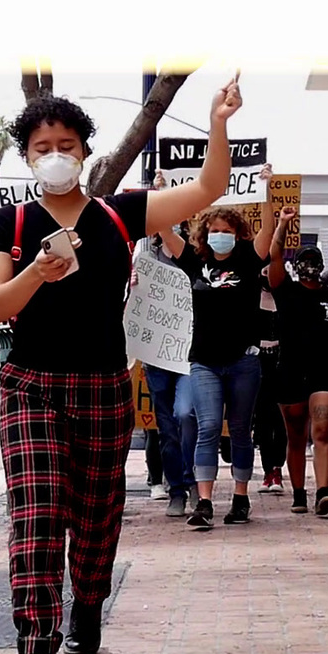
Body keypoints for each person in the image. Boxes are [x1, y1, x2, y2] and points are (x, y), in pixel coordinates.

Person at [0, 77, 240, 654]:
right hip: (30, 384)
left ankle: (87, 602)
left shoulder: (119, 214)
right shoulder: (8, 224)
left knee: (96, 514)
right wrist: (38, 271)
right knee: (37, 516)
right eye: (43, 146)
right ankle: (36, 651)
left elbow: (207, 190)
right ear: (28, 156)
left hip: (101, 385)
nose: (56, 154)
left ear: (86, 151)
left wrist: (217, 121)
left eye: (67, 144)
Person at [160, 167, 278, 530]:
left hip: (244, 359)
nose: (221, 237)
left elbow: (269, 231)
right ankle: (206, 501)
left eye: (227, 232)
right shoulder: (195, 261)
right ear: (204, 234)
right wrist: (160, 192)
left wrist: (268, 189)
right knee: (208, 425)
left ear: (237, 234)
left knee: (241, 429)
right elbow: (164, 229)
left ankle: (241, 497)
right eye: (215, 231)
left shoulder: (249, 259)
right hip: (204, 361)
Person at [267, 224, 328, 517]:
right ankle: (298, 493)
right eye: (304, 261)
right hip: (292, 370)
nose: (309, 267)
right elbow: (274, 256)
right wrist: (281, 225)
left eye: (314, 262)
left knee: (322, 430)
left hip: (327, 371)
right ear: (296, 266)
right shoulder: (285, 291)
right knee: (295, 435)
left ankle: (322, 491)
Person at [135, 208, 198, 519]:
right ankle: (177, 489)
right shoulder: (144, 258)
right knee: (166, 427)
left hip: (188, 354)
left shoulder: (194, 257)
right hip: (156, 355)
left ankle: (193, 480)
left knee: (186, 414)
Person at [254, 264, 288, 494]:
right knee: (263, 417)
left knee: (282, 418)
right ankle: (268, 470)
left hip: (283, 363)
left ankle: (278, 467)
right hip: (257, 362)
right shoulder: (250, 297)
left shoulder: (287, 297)